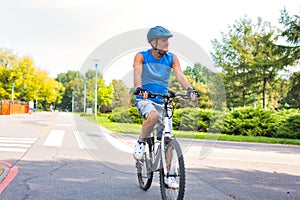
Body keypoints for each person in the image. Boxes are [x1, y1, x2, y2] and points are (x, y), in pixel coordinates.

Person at [133, 26, 196, 188]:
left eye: (168, 40)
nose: (167, 43)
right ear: (153, 42)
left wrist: (189, 89)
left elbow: (179, 75)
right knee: (152, 117)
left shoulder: (172, 58)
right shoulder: (141, 56)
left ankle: (169, 176)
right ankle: (141, 142)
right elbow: (137, 74)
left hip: (163, 100)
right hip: (145, 99)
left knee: (167, 139)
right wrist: (140, 88)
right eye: (163, 40)